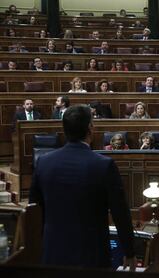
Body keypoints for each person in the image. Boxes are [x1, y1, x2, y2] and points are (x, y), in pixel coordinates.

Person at [29, 105, 136, 269]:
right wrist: (130, 252)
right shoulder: (104, 165)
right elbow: (120, 213)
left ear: (64, 130)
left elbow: (34, 210)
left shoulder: (43, 162)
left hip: (53, 253)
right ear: (90, 129)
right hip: (92, 256)